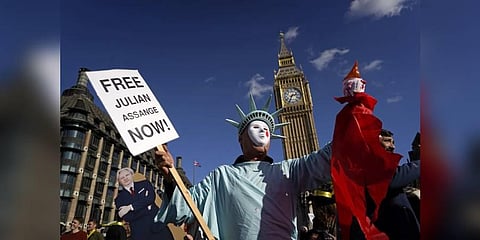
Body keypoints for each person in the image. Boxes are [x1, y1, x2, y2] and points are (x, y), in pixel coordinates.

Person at [154, 94, 332, 240]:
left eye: (267, 129)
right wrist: (170, 176)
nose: (263, 131)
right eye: (256, 127)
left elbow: (326, 159)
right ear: (241, 138)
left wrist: (354, 117)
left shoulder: (289, 171)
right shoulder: (221, 176)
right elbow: (185, 207)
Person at [114, 167, 173, 240]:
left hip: (159, 228)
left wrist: (130, 207)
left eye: (127, 175)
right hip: (140, 234)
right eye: (122, 178)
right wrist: (147, 207)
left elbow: (151, 198)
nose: (125, 178)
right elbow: (128, 217)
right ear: (119, 181)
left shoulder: (145, 184)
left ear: (132, 175)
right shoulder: (119, 199)